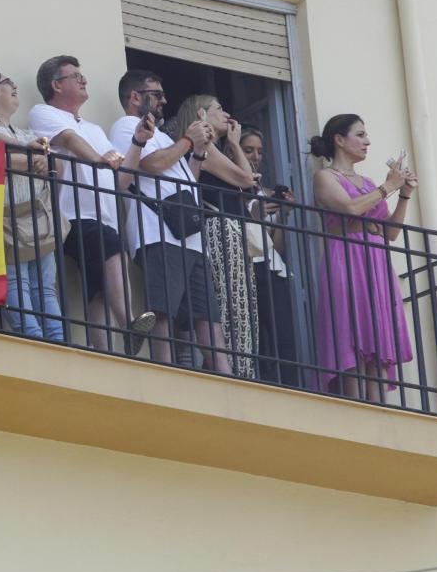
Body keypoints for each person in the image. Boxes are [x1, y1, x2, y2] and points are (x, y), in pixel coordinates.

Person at [30, 56, 154, 353]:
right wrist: (100, 161)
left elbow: (121, 180)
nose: (84, 80)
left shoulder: (95, 129)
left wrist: (137, 143)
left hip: (105, 216)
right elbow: (71, 141)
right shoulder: (43, 112)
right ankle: (128, 325)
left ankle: (104, 352)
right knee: (114, 254)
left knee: (98, 288)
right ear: (56, 85)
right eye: (76, 76)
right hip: (72, 215)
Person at [115, 71, 228, 373]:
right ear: (135, 97)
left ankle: (225, 375)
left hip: (188, 235)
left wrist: (199, 153)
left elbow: (186, 180)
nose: (164, 100)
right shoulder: (125, 126)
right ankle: (165, 370)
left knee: (208, 315)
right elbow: (151, 165)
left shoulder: (165, 137)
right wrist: (188, 139)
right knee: (163, 310)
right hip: (158, 233)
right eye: (156, 94)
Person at [309, 113, 418, 401]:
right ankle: (355, 405)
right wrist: (389, 187)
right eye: (360, 134)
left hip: (376, 260)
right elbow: (350, 209)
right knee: (351, 329)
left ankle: (378, 408)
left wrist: (403, 195)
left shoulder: (369, 183)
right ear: (339, 140)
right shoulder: (324, 177)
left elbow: (390, 233)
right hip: (347, 257)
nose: (367, 141)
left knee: (377, 334)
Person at [0, 67, 64, 342]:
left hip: (38, 218)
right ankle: (31, 338)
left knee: (45, 287)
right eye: (6, 82)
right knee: (17, 283)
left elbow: (59, 169)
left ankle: (57, 340)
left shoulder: (27, 134)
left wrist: (44, 162)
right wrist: (35, 162)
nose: (14, 85)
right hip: (4, 219)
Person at [170, 93, 262, 379]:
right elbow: (248, 180)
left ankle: (236, 368)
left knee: (236, 302)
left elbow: (247, 185)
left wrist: (233, 144)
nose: (226, 114)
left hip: (224, 232)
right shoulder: (205, 148)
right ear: (201, 115)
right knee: (233, 304)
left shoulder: (210, 149)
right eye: (219, 109)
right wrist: (235, 143)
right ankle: (235, 371)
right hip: (219, 231)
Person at [241, 127, 300, 386]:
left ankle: (287, 386)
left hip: (270, 266)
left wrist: (283, 214)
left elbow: (276, 246)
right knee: (248, 334)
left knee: (283, 335)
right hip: (242, 265)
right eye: (248, 150)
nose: (255, 156)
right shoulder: (226, 184)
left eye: (259, 151)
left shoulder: (264, 193)